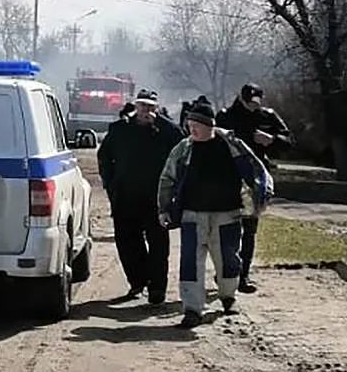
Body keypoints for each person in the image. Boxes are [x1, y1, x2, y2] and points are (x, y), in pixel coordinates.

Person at [158, 99, 273, 329]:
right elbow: (167, 179)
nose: (191, 129)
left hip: (227, 214)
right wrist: (163, 208)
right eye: (189, 125)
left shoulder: (232, 146)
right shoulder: (183, 149)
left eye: (195, 125)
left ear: (209, 125)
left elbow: (256, 170)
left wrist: (261, 196)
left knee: (228, 260)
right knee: (190, 263)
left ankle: (228, 297)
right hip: (192, 214)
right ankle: (192, 309)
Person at [97, 88, 185, 304]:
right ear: (135, 106)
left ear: (156, 107)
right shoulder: (120, 129)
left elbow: (183, 148)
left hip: (156, 198)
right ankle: (137, 281)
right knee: (127, 243)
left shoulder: (166, 130)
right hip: (125, 196)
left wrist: (160, 122)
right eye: (142, 105)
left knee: (158, 245)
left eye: (150, 106)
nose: (146, 110)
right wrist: (110, 184)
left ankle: (157, 289)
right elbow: (104, 157)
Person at [215, 83, 293, 294]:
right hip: (228, 179)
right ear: (240, 98)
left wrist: (272, 140)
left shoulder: (267, 116)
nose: (253, 107)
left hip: (254, 181)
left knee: (249, 231)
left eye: (256, 103)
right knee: (227, 228)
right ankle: (225, 269)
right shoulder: (225, 117)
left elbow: (289, 141)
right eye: (249, 103)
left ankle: (242, 274)